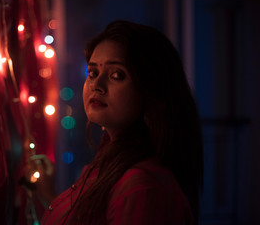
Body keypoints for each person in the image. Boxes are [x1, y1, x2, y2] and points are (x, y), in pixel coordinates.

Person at [28, 20, 203, 224]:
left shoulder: (142, 187)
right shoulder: (108, 164)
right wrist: (49, 196)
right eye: (93, 73)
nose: (97, 85)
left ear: (153, 91)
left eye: (117, 75)